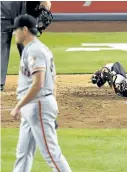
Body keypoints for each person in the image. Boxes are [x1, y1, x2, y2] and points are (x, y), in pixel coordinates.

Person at [9, 14, 72, 172]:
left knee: (51, 154)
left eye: (16, 30)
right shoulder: (35, 48)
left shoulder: (35, 50)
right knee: (23, 153)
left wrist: (18, 106)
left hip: (38, 105)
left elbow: (39, 83)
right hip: (36, 106)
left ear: (25, 30)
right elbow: (54, 79)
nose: (14, 33)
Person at [1, 1, 52, 91]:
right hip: (24, 4)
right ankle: (32, 80)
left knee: (2, 41)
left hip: (3, 4)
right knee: (26, 42)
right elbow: (46, 3)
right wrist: (45, 7)